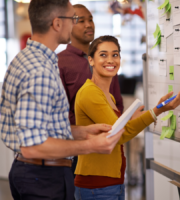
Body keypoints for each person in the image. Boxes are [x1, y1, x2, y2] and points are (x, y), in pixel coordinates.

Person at [0, 2, 125, 200]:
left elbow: (41, 128)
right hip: (42, 177)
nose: (76, 23)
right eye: (73, 18)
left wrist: (82, 132)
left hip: (38, 174)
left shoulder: (30, 59)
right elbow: (33, 146)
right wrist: (91, 145)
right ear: (57, 23)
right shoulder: (39, 71)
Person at [74, 35, 180, 200]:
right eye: (103, 55)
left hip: (111, 183)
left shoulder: (108, 95)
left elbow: (116, 128)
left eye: (115, 54)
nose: (110, 60)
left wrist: (137, 118)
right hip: (97, 185)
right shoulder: (90, 92)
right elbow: (118, 134)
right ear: (91, 60)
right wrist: (157, 111)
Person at [57, 3, 124, 175]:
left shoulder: (105, 59)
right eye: (80, 20)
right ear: (68, 26)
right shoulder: (60, 62)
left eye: (91, 19)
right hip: (77, 147)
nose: (88, 25)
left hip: (110, 140)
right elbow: (61, 110)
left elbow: (117, 101)